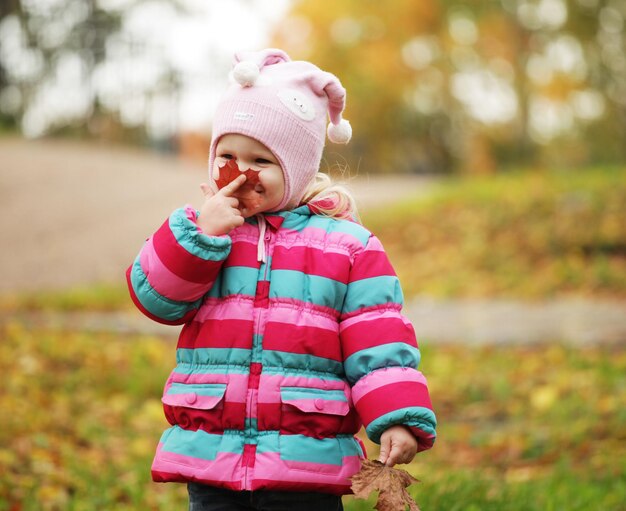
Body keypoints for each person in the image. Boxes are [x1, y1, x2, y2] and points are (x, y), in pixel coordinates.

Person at [126, 48, 436, 511]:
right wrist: (200, 238)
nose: (240, 171)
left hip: (304, 461)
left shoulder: (348, 246)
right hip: (213, 452)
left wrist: (395, 417)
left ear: (297, 167)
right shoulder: (202, 230)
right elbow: (158, 297)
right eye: (226, 154)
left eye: (261, 160)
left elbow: (377, 339)